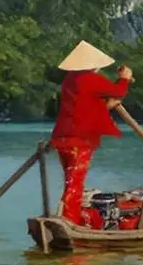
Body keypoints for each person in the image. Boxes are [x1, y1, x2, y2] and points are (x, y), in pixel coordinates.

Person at [49, 40, 134, 226]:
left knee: (70, 181)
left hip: (62, 138)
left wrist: (108, 105)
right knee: (75, 184)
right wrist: (125, 78)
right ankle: (69, 223)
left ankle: (69, 218)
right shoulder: (90, 79)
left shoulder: (70, 80)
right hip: (80, 140)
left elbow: (83, 107)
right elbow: (118, 91)